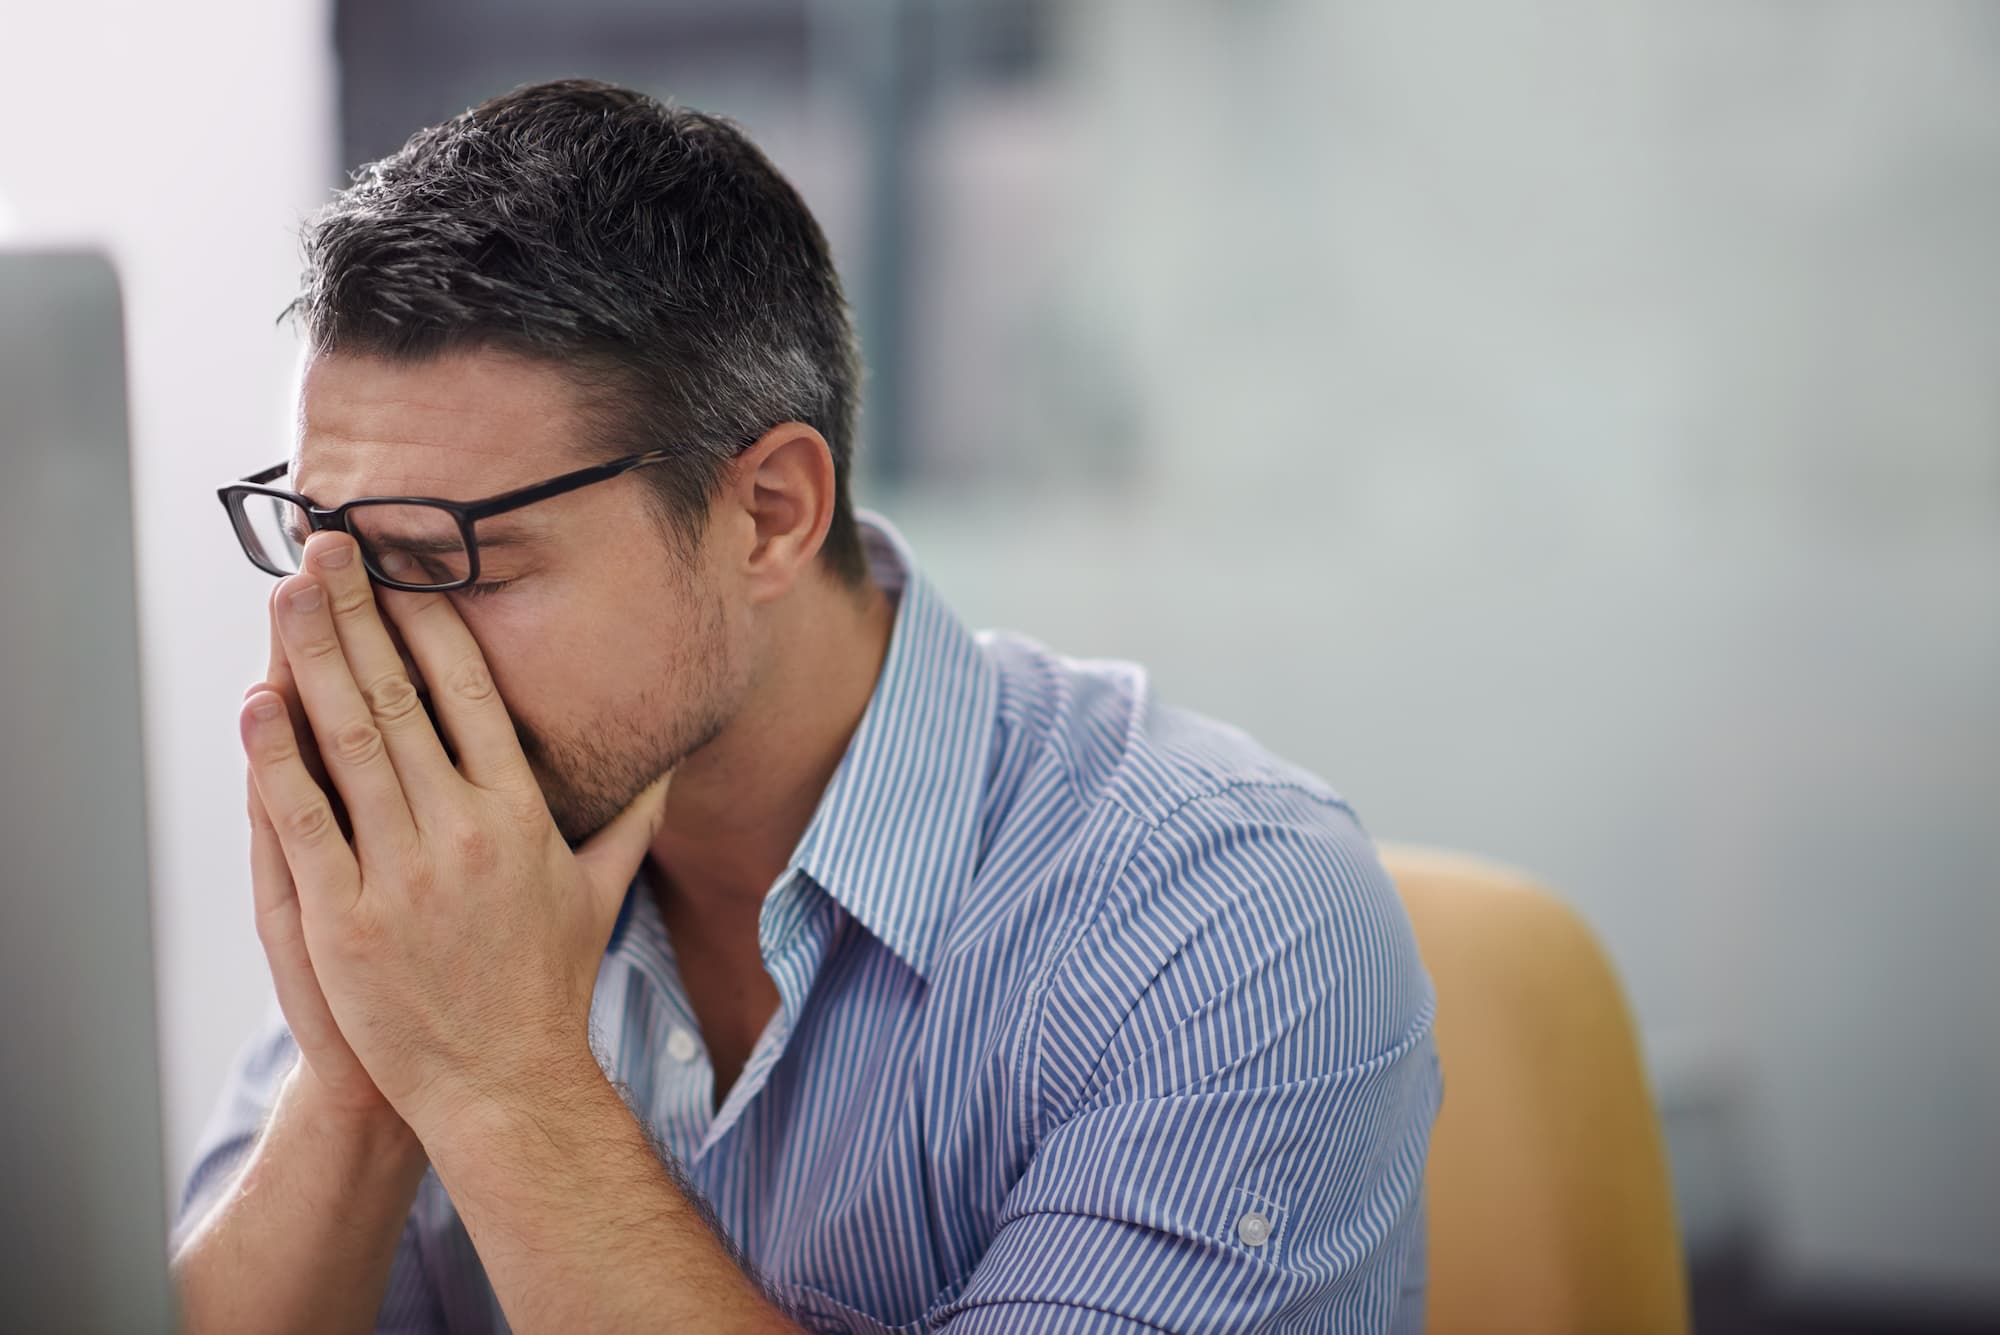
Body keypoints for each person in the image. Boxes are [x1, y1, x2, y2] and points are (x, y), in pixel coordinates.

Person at [171, 79, 1440, 1334]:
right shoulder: (451, 889)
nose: (366, 653)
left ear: (769, 516)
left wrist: (502, 1077)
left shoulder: (1227, 929)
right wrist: (358, 1087)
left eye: (455, 559)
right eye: (323, 547)